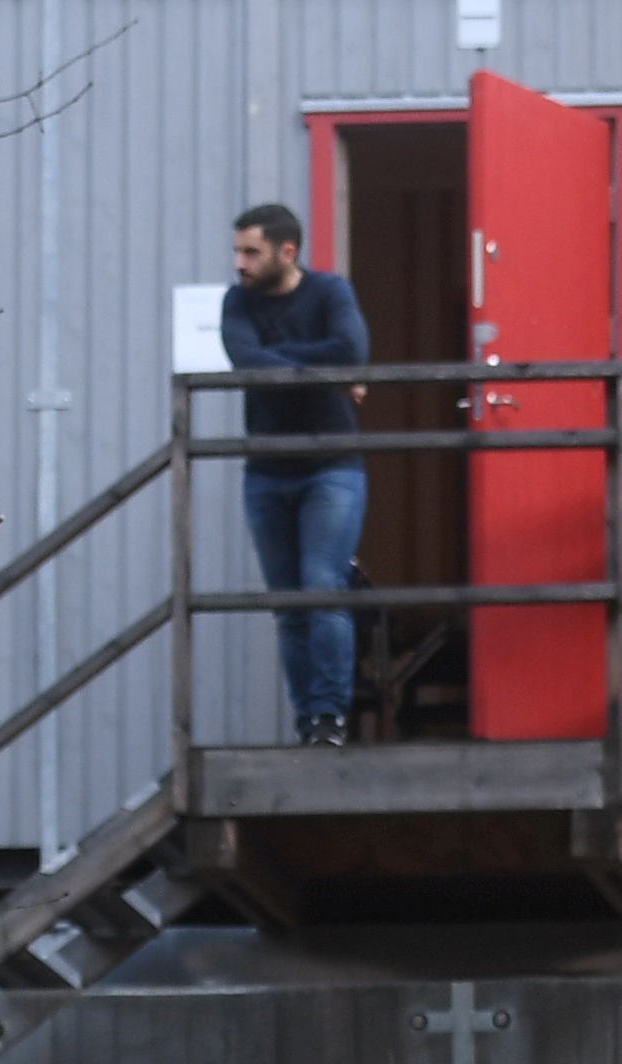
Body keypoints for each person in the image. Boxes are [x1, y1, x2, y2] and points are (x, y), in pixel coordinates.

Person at [221, 203, 369, 746]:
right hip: (266, 471)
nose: (239, 263)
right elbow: (245, 362)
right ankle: (307, 721)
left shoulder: (330, 292)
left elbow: (353, 350)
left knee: (322, 587)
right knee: (288, 605)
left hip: (332, 467)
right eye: (237, 251)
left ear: (288, 251)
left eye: (250, 252)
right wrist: (325, 375)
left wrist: (279, 362)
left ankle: (330, 718)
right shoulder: (237, 301)